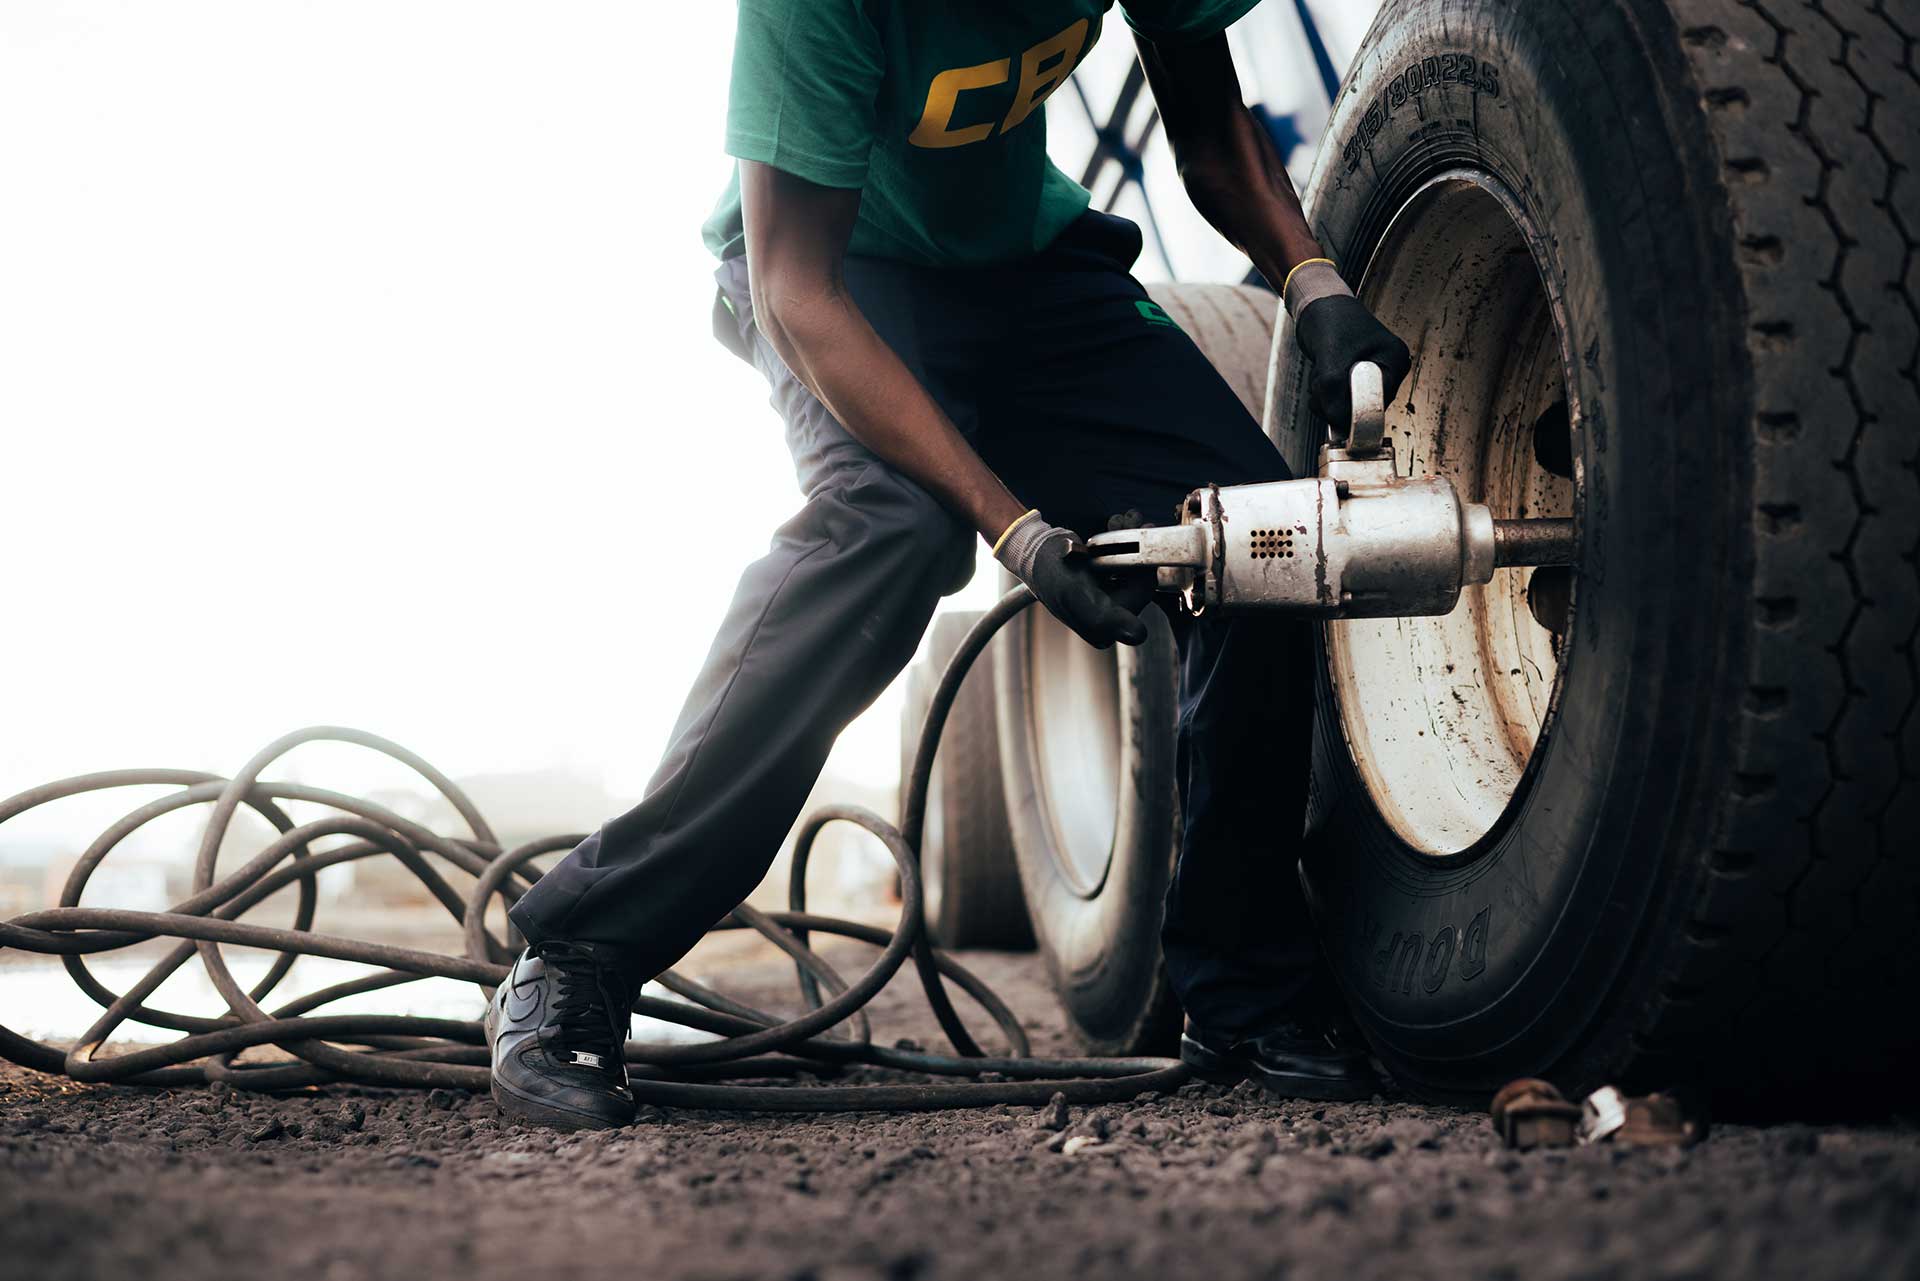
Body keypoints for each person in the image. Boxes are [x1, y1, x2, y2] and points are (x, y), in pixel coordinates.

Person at [486, 0, 1411, 1131]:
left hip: (1024, 270)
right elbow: (794, 290)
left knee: (1262, 536)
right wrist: (1014, 529)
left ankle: (1247, 988)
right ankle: (581, 948)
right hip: (842, 278)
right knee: (892, 530)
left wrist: (1313, 282)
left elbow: (1211, 130)